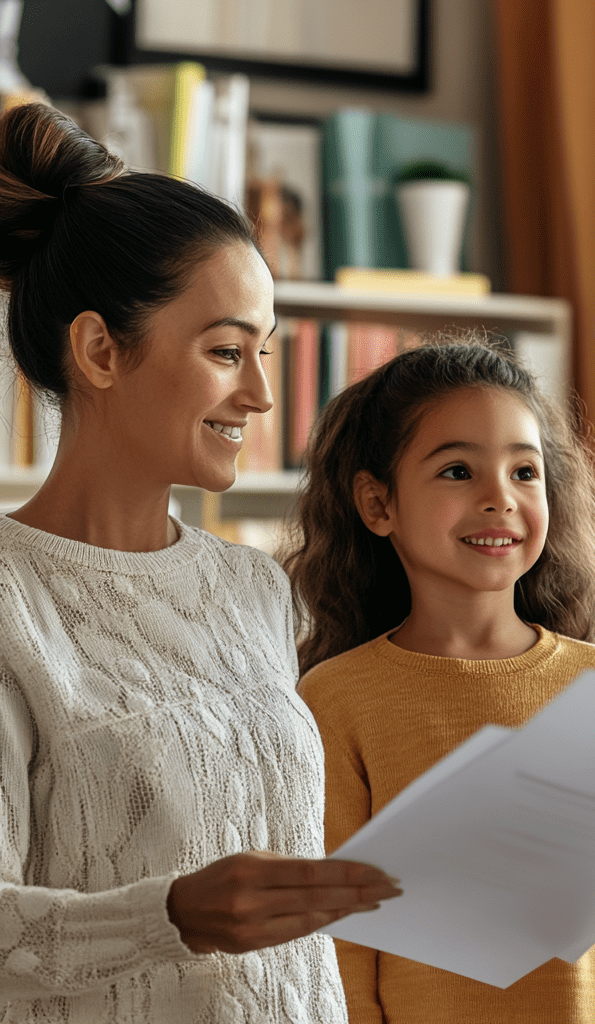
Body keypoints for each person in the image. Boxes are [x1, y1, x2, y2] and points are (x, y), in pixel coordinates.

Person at [0, 102, 400, 1023]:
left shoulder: (256, 590)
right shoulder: (13, 605)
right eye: (226, 351)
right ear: (100, 350)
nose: (262, 393)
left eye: (264, 351)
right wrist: (170, 916)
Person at [287, 339, 595, 1024]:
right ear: (378, 504)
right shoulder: (334, 699)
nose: (500, 499)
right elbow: (341, 940)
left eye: (524, 472)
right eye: (458, 471)